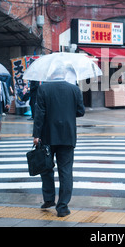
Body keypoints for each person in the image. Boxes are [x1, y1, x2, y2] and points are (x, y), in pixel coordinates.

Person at [33, 78, 85, 216]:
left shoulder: (43, 89)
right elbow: (81, 111)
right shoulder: (74, 89)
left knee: (46, 168)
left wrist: (36, 135)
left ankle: (49, 199)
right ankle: (62, 207)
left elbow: (39, 113)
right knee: (66, 171)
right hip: (67, 135)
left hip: (48, 134)